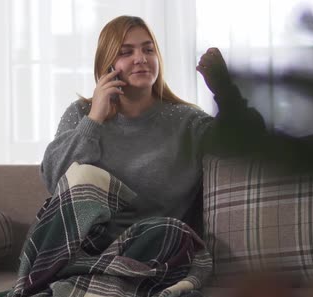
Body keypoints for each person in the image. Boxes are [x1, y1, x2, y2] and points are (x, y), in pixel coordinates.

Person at [40, 15, 264, 239]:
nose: (141, 58)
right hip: (87, 245)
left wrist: (225, 91)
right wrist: (94, 118)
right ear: (106, 65)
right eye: (126, 52)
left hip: (157, 243)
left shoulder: (187, 122)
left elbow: (249, 142)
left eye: (148, 50)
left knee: (166, 233)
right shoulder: (81, 114)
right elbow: (55, 180)